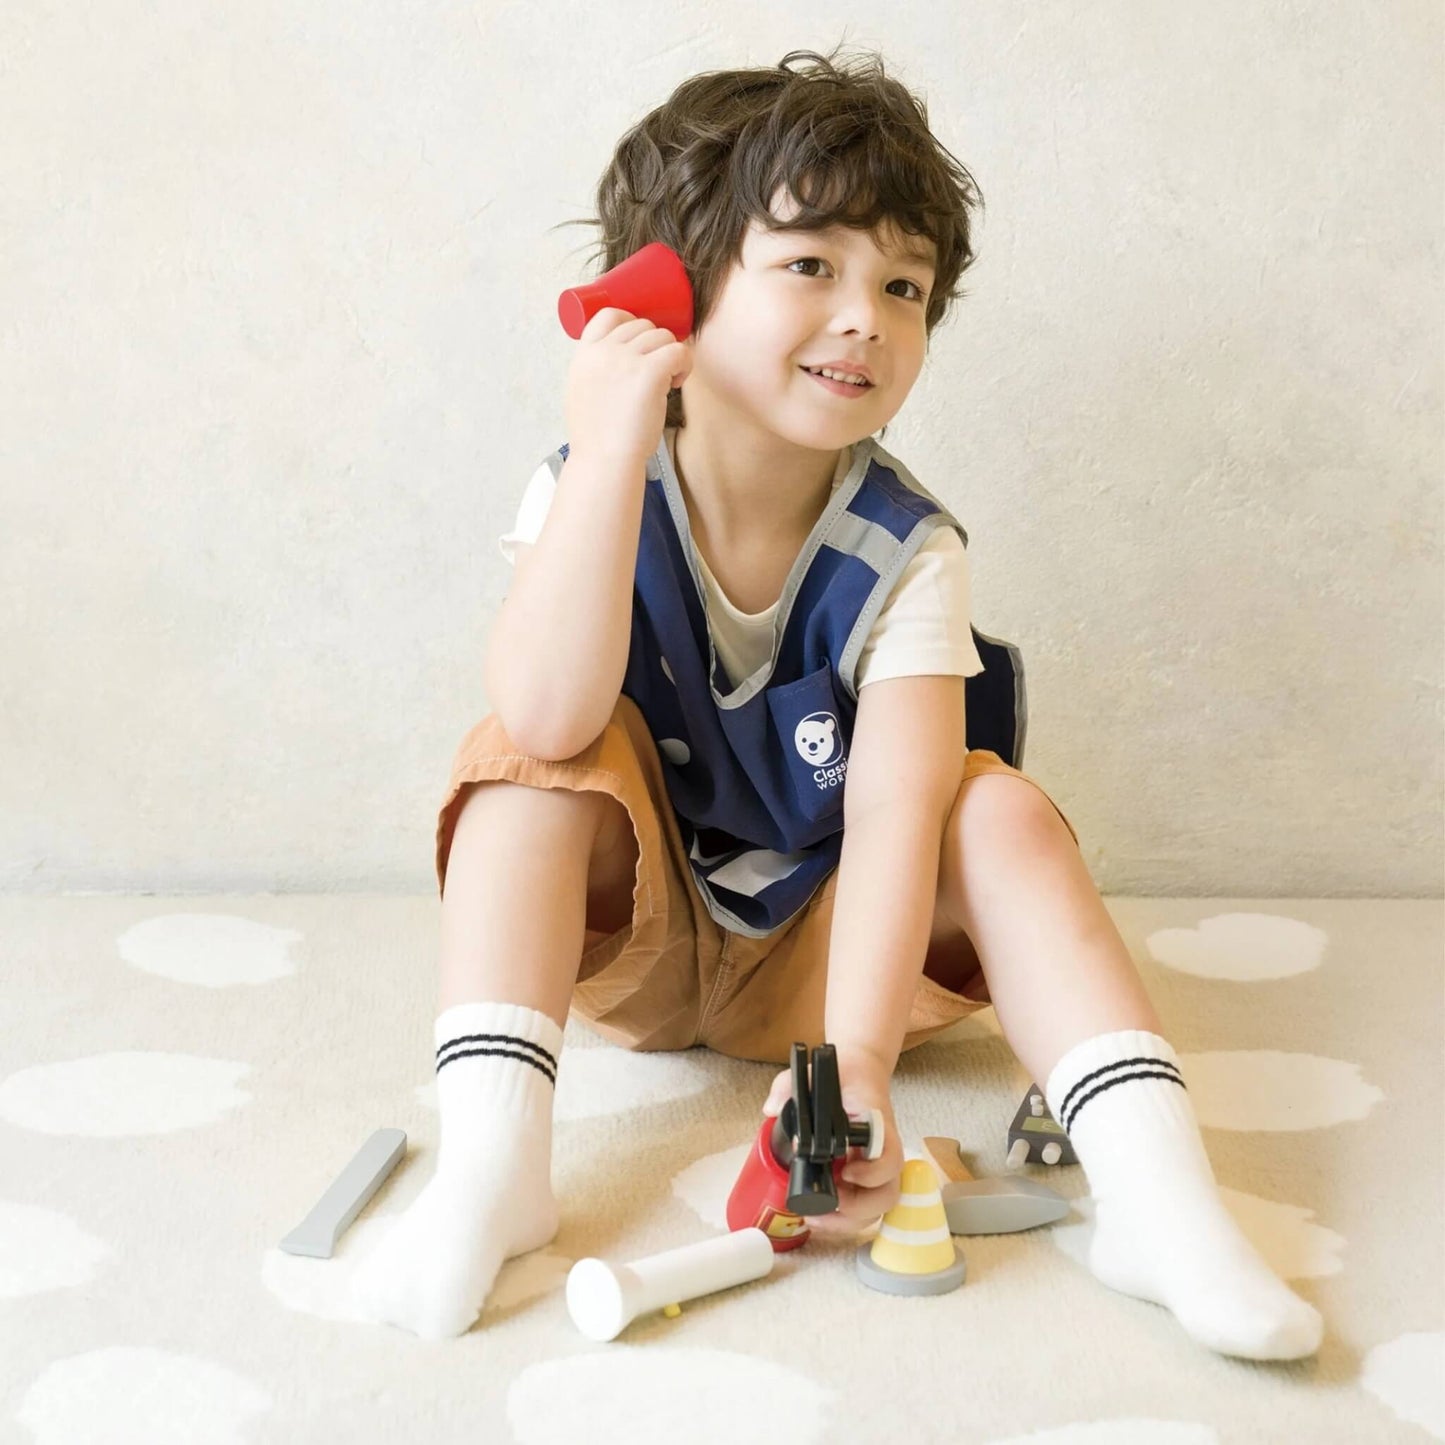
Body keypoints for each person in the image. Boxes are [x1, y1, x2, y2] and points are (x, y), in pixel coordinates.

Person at [351, 46, 1324, 1360]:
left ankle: (1159, 1204)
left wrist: (847, 1071)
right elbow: (541, 712)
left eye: (903, 284)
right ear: (669, 292)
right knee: (520, 766)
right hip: (643, 948)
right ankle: (495, 1170)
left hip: (822, 968)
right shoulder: (588, 486)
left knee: (996, 809)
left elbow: (895, 820)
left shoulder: (904, 547)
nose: (866, 313)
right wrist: (611, 438)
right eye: (811, 265)